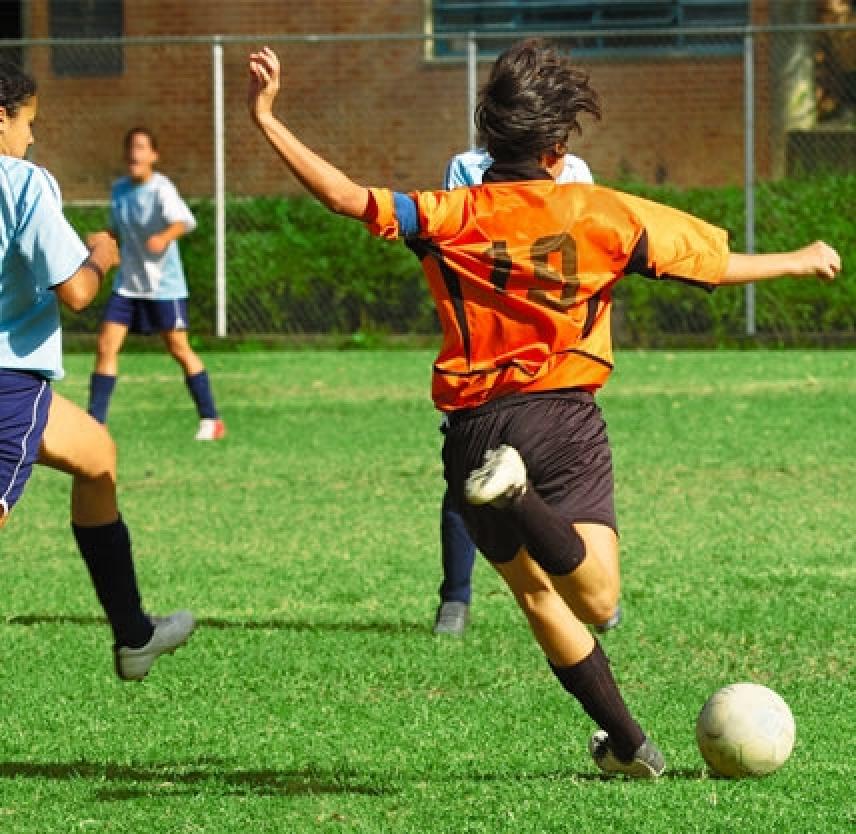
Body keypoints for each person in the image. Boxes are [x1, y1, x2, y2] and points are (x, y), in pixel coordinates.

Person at [247, 42, 840, 778]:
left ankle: (629, 747)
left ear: (488, 142)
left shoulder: (448, 213)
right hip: (557, 419)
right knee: (595, 596)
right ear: (559, 148)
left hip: (471, 435)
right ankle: (523, 497)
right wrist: (799, 257)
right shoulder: (602, 213)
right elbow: (712, 268)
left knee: (535, 596)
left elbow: (343, 195)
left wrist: (266, 117)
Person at [0, 61, 195, 680]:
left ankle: (134, 634)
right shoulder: (22, 182)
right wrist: (101, 254)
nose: (32, 137)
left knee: (97, 456)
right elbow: (77, 291)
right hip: (6, 382)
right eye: (27, 121)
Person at [433, 148, 620, 638]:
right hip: (488, 354)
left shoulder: (576, 169)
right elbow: (460, 239)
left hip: (554, 360)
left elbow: (589, 243)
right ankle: (455, 598)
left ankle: (588, 589)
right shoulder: (466, 166)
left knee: (563, 483)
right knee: (469, 481)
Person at [87, 127, 225, 440]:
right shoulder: (119, 189)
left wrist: (164, 236)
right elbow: (116, 230)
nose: (135, 153)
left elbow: (185, 221)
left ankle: (211, 419)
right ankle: (96, 422)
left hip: (164, 286)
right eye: (131, 148)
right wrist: (103, 241)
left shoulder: (161, 188)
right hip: (127, 285)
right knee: (106, 345)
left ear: (153, 156)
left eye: (141, 147)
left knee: (179, 348)